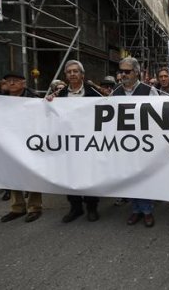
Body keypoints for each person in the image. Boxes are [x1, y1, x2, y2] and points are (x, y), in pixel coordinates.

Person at [113, 57, 160, 228]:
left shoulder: (149, 90)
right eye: (121, 71)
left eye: (127, 71)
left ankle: (147, 211)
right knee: (130, 176)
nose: (123, 75)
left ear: (136, 72)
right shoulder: (116, 91)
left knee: (143, 176)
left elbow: (160, 114)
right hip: (124, 144)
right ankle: (135, 209)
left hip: (145, 143)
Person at [54, 60, 103, 223]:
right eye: (69, 72)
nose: (72, 74)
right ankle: (75, 208)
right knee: (70, 176)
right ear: (66, 76)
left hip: (89, 144)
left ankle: (91, 207)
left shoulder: (94, 94)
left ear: (82, 75)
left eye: (76, 71)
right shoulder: (58, 96)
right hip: (68, 144)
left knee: (89, 176)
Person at [0, 71, 43, 223]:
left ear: (23, 83)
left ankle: (34, 207)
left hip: (30, 142)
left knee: (31, 174)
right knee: (12, 174)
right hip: (9, 142)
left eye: (15, 80)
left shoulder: (34, 99)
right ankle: (17, 208)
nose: (11, 83)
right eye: (8, 80)